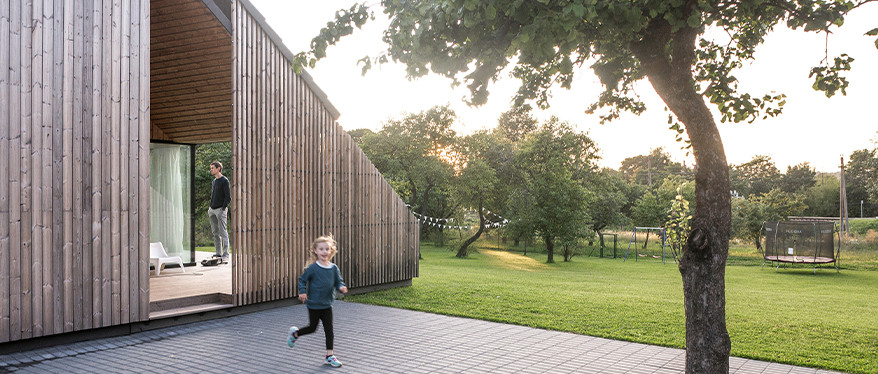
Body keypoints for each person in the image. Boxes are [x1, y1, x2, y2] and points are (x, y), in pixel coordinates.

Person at [287, 234, 348, 368]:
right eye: (321, 249)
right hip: (314, 304)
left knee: (329, 330)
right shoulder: (313, 268)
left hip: (327, 305)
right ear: (315, 251)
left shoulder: (333, 268)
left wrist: (341, 287)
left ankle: (329, 356)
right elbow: (302, 280)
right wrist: (302, 291)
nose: (324, 252)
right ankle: (295, 334)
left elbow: (338, 281)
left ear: (331, 250)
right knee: (312, 328)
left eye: (327, 249)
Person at [208, 161, 231, 263]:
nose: (211, 170)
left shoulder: (224, 180)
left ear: (218, 169)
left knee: (223, 232)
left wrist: (223, 208)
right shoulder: (214, 181)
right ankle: (218, 253)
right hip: (212, 210)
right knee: (215, 233)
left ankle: (225, 255)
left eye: (212, 168)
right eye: (211, 168)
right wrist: (210, 208)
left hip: (220, 210)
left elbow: (228, 197)